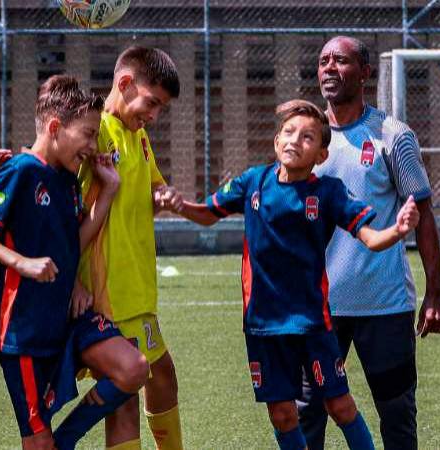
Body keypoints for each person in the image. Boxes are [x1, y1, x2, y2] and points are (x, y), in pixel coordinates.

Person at [175, 99, 418, 450]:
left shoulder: (328, 192)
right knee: (283, 416)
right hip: (261, 325)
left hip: (311, 324)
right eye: (288, 133)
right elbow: (207, 213)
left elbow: (372, 238)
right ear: (276, 142)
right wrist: (177, 204)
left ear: (321, 154)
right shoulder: (252, 182)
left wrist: (397, 229)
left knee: (340, 405)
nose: (294, 141)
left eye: (307, 137)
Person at [0, 45, 187, 450]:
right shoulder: (96, 131)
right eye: (153, 103)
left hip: (138, 286)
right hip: (104, 292)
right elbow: (47, 187)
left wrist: (164, 197)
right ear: (124, 84)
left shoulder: (136, 133)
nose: (155, 115)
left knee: (158, 375)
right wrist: (72, 278)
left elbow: (147, 187)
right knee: (128, 395)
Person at [0, 74, 150, 450]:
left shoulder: (66, 178)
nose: (94, 145)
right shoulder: (20, 171)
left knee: (134, 368)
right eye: (89, 134)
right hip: (24, 331)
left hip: (68, 318)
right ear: (55, 127)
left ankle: (67, 439)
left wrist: (108, 192)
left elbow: (72, 242)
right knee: (37, 442)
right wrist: (22, 263)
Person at [296, 36, 440, 450]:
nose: (329, 68)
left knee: (397, 417)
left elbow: (424, 215)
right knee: (306, 414)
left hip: (384, 306)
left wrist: (434, 294)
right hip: (318, 310)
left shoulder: (392, 136)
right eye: (323, 60)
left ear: (365, 72)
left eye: (341, 61)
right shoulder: (304, 139)